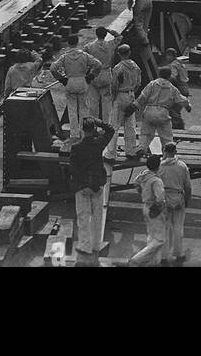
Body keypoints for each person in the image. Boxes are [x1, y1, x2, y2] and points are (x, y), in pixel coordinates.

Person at [71, 117, 114, 257]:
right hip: (97, 185)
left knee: (83, 217)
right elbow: (111, 130)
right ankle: (96, 245)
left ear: (82, 130)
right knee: (97, 216)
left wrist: (82, 184)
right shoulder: (99, 143)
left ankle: (85, 245)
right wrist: (99, 121)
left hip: (83, 187)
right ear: (94, 130)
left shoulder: (76, 147)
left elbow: (73, 169)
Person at [55, 33, 102, 142]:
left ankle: (74, 134)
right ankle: (84, 133)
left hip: (70, 82)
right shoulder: (84, 55)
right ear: (77, 42)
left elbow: (53, 68)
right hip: (82, 82)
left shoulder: (64, 56)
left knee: (72, 110)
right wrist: (91, 75)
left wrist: (61, 79)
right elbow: (98, 64)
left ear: (68, 43)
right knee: (84, 109)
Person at [136, 68, 189, 153]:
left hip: (149, 110)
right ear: (169, 76)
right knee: (166, 136)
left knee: (146, 133)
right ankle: (168, 151)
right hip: (163, 112)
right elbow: (181, 100)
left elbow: (142, 97)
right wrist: (188, 106)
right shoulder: (172, 88)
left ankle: (142, 147)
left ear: (159, 74)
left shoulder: (152, 84)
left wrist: (134, 105)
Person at [128, 155, 167, 267]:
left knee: (152, 235)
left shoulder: (144, 174)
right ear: (158, 166)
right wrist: (159, 209)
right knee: (160, 239)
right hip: (154, 207)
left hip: (146, 205)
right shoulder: (156, 180)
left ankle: (154, 262)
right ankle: (138, 259)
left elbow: (136, 183)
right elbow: (160, 198)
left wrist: (142, 192)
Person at [159, 143, 193, 264]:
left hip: (164, 198)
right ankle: (179, 253)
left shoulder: (160, 166)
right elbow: (187, 186)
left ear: (164, 151)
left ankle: (163, 255)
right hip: (178, 197)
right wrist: (188, 199)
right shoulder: (182, 166)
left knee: (164, 228)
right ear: (175, 151)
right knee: (178, 227)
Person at [110, 44, 142, 159]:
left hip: (120, 95)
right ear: (129, 53)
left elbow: (114, 85)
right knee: (130, 125)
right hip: (131, 95)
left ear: (119, 54)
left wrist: (113, 98)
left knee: (114, 125)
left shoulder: (118, 68)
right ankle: (130, 151)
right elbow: (138, 84)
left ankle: (111, 153)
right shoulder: (136, 67)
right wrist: (132, 93)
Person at [83, 27, 118, 122]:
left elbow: (83, 57)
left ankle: (92, 125)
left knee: (93, 102)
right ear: (105, 34)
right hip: (106, 73)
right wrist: (110, 30)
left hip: (94, 74)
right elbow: (119, 37)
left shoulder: (89, 46)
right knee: (106, 103)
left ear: (96, 34)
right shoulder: (110, 45)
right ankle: (106, 126)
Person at [161, 47, 191, 129]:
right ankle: (176, 125)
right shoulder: (181, 64)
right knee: (177, 109)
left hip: (179, 88)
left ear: (171, 56)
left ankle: (179, 126)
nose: (167, 58)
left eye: (168, 56)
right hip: (185, 88)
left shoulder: (173, 66)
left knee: (172, 109)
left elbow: (172, 78)